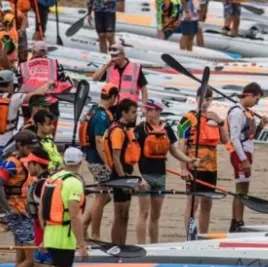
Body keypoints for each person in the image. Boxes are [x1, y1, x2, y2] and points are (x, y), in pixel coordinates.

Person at [135, 99, 193, 243]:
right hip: (144, 175)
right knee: (144, 213)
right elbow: (134, 156)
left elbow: (174, 151)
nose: (146, 112)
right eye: (146, 109)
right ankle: (141, 245)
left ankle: (154, 245)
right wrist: (138, 177)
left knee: (155, 215)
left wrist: (189, 160)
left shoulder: (166, 129)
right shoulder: (140, 129)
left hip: (160, 176)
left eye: (150, 109)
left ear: (158, 111)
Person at [36, 148, 88, 267]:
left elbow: (41, 211)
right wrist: (82, 245)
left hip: (51, 235)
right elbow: (74, 217)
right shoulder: (74, 183)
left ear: (64, 161)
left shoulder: (51, 179)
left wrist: (45, 237)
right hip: (63, 238)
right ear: (80, 162)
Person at [0, 130, 40, 267]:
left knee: (21, 257)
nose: (32, 151)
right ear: (19, 145)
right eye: (29, 148)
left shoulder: (23, 160)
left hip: (25, 212)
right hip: (18, 215)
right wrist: (8, 207)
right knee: (32, 259)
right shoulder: (11, 163)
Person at [179, 87, 228, 234]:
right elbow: (181, 144)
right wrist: (183, 168)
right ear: (196, 98)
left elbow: (225, 140)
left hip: (211, 167)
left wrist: (220, 122)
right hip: (194, 167)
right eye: (202, 99)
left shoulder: (214, 118)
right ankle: (190, 235)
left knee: (207, 204)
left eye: (208, 99)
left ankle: (203, 235)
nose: (205, 103)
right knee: (193, 204)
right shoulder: (187, 118)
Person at [78, 83, 119, 239]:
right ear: (113, 97)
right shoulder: (101, 116)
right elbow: (99, 141)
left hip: (90, 156)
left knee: (104, 196)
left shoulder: (93, 109)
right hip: (98, 160)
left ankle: (83, 224)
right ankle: (95, 234)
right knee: (101, 197)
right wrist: (107, 163)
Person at [100, 99, 140, 245]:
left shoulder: (124, 129)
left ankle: (122, 245)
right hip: (119, 176)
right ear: (124, 113)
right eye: (133, 112)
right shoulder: (117, 131)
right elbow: (116, 158)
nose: (135, 115)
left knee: (125, 216)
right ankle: (117, 246)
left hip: (125, 174)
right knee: (119, 215)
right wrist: (123, 181)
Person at [226, 83, 265, 231]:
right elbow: (234, 138)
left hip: (246, 152)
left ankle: (237, 221)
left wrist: (260, 127)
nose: (257, 103)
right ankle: (237, 222)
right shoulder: (237, 113)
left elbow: (251, 137)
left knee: (244, 189)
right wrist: (243, 159)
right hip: (239, 154)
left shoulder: (247, 112)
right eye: (256, 99)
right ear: (249, 95)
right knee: (241, 189)